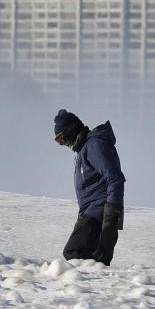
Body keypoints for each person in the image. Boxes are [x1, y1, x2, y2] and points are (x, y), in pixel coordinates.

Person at [53, 108, 125, 265]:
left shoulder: (94, 146)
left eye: (61, 138)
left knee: (74, 252)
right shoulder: (85, 149)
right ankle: (95, 286)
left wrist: (111, 214)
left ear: (70, 131)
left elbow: (115, 178)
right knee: (96, 261)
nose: (63, 144)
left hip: (100, 211)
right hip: (91, 212)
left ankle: (85, 285)